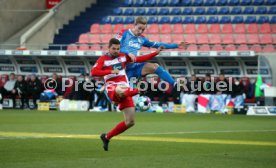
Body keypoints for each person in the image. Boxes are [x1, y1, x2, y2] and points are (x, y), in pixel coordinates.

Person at [91, 38, 163, 151]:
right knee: (121, 89)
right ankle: (137, 91)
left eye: (118, 48)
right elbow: (94, 72)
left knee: (130, 122)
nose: (116, 51)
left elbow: (139, 59)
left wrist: (155, 52)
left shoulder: (123, 56)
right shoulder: (103, 59)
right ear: (108, 48)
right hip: (112, 87)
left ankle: (106, 137)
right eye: (113, 48)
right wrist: (109, 71)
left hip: (125, 89)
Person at [116, 16, 186, 90]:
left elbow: (158, 45)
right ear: (135, 24)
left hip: (134, 67)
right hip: (121, 69)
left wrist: (176, 45)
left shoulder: (142, 39)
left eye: (143, 30)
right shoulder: (123, 33)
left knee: (155, 66)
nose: (140, 31)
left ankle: (174, 84)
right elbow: (114, 46)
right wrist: (128, 53)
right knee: (123, 95)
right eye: (139, 28)